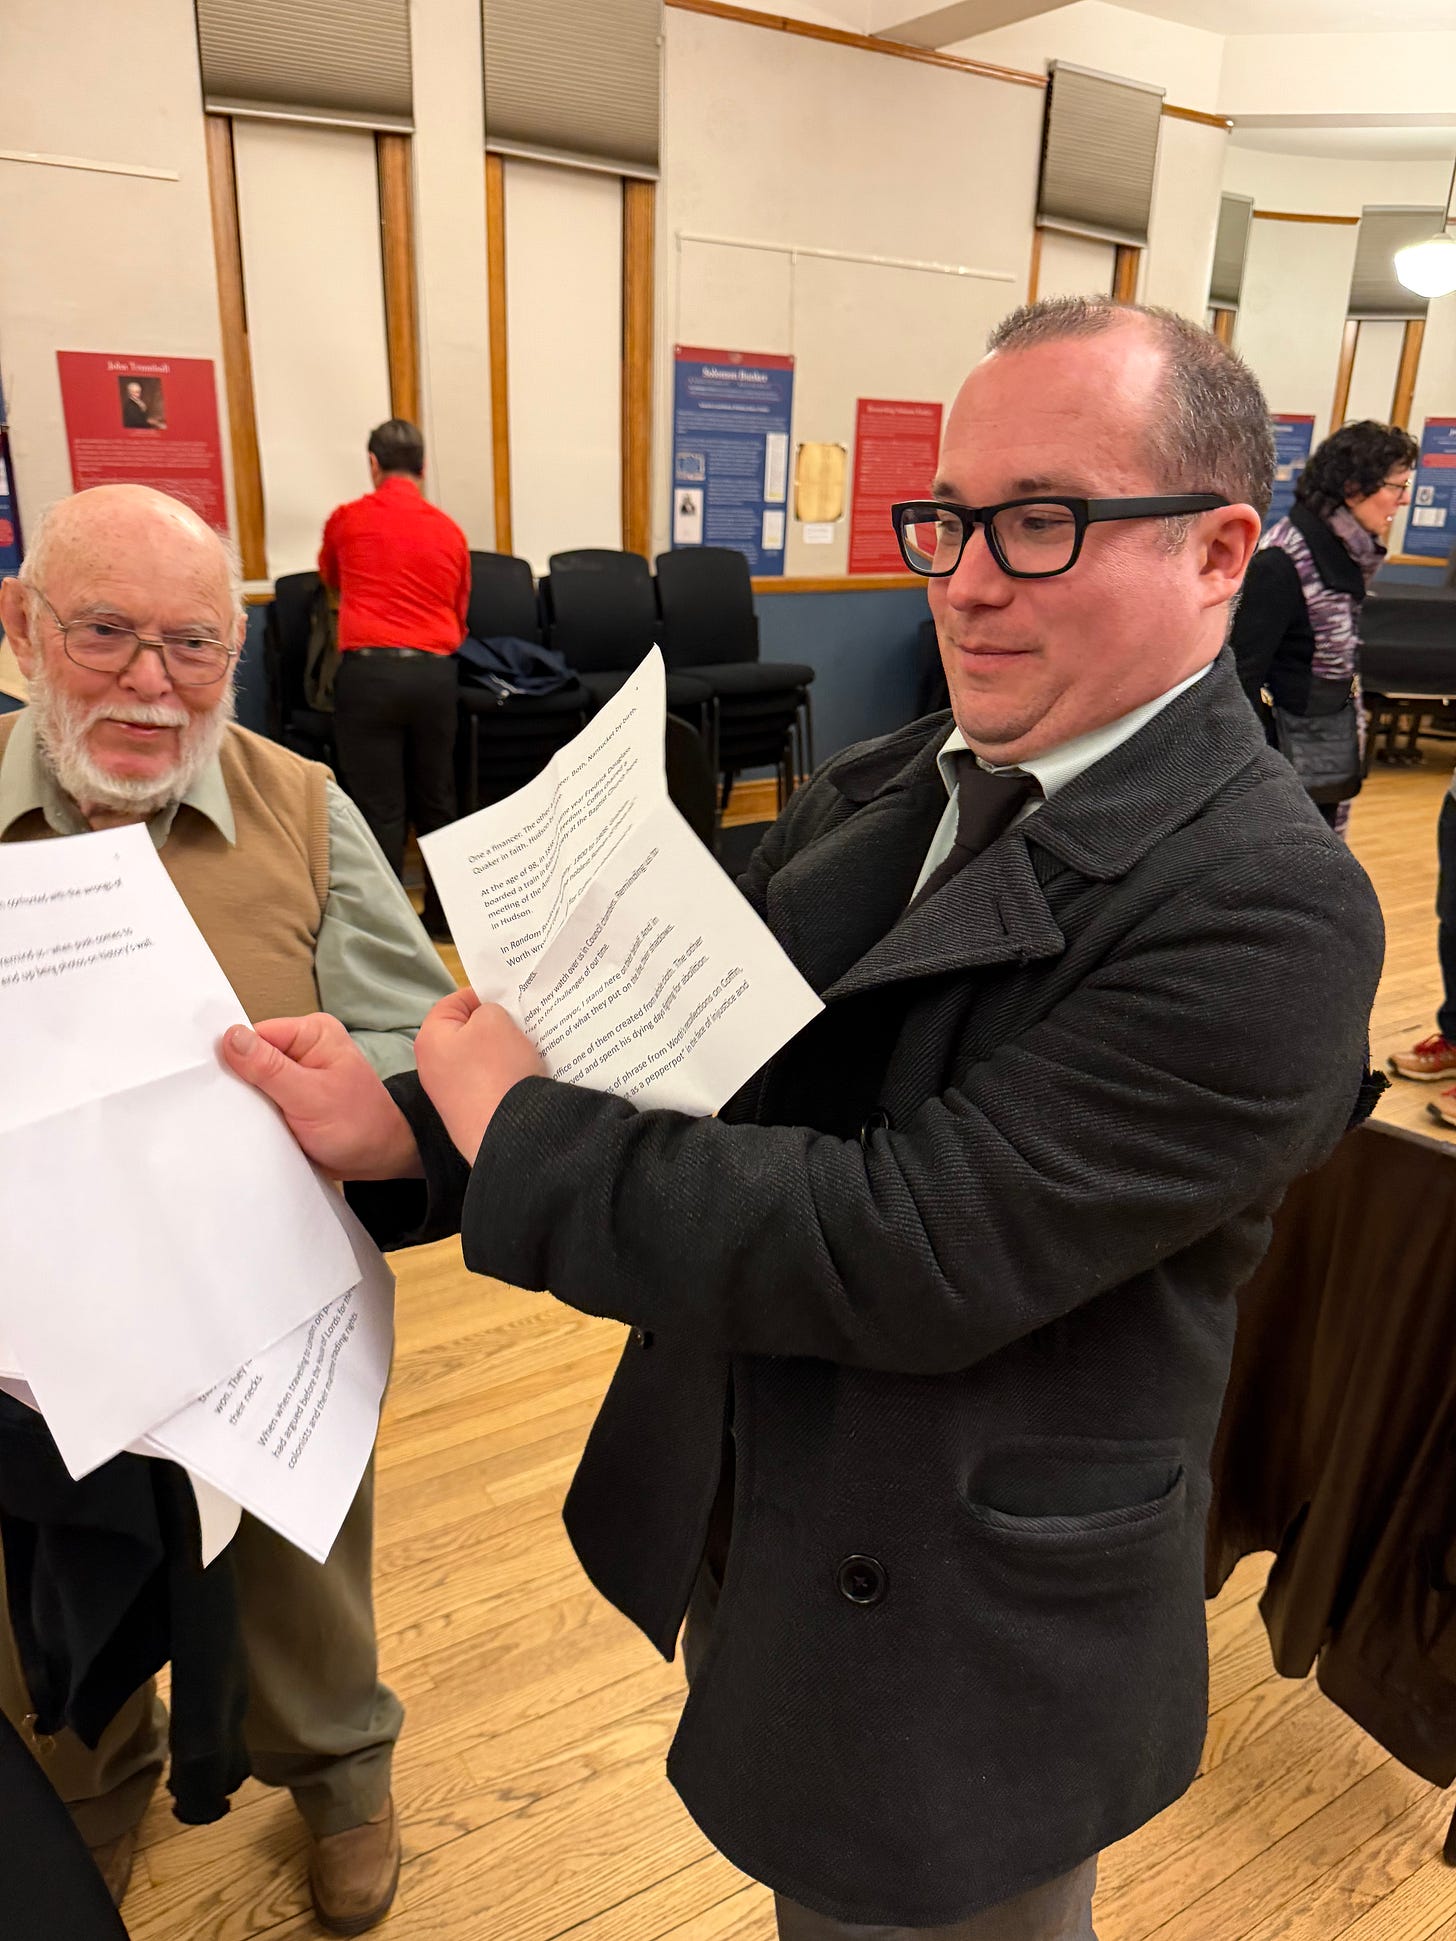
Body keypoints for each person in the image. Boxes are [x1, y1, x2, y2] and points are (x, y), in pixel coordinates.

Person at [225, 300, 1385, 1941]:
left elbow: (902, 1244)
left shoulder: (1273, 905)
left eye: (1042, 522)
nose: (964, 581)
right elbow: (682, 1045)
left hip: (968, 1619)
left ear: (1214, 552)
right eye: (948, 520)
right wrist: (409, 1124)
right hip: (773, 1504)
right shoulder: (891, 780)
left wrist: (519, 1128)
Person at [0, 483, 455, 1934]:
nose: (151, 680)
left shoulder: (301, 806)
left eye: (192, 644)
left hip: (264, 1299)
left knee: (302, 1559)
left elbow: (418, 1037)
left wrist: (354, 1093)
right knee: (42, 1571)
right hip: (33, 1329)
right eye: (105, 633)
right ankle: (90, 1779)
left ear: (237, 654)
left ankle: (342, 1774)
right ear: (22, 629)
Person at [319, 418, 470, 941]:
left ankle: (387, 932)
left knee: (378, 809)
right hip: (434, 677)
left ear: (373, 463)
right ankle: (444, 921)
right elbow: (459, 611)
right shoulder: (449, 530)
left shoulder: (347, 520)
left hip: (370, 676)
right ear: (423, 468)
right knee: (437, 801)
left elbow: (332, 578)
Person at [1230, 418, 1416, 839]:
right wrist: (1264, 768)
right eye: (1397, 486)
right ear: (1353, 488)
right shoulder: (1284, 561)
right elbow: (1239, 677)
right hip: (1285, 764)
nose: (1404, 499)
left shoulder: (1343, 554)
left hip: (1320, 751)